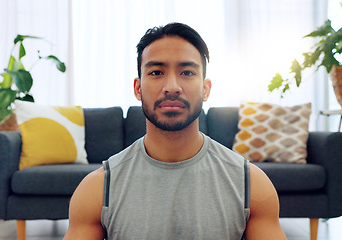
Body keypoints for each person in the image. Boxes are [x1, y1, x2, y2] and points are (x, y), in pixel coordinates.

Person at [64, 22, 287, 240]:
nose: (172, 86)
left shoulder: (251, 184)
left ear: (205, 89)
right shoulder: (98, 188)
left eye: (187, 72)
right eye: (156, 72)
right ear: (138, 88)